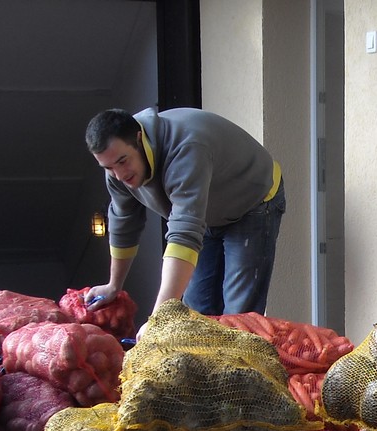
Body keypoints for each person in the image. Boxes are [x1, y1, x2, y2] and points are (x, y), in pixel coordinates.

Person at [84, 106, 285, 317]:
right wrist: (114, 285)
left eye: (122, 161)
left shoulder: (186, 148)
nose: (119, 175)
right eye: (108, 167)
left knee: (238, 315)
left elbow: (184, 232)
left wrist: (158, 319)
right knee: (195, 310)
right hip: (205, 211)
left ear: (139, 139)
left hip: (253, 200)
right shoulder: (116, 170)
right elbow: (124, 222)